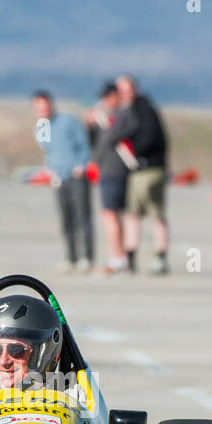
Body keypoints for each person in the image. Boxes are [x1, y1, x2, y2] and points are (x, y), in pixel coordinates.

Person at [0, 294, 83, 409]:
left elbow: (96, 420)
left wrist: (79, 363)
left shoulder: (69, 398)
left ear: (43, 353)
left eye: (16, 351)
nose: (4, 361)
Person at [101, 75, 169, 275]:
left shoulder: (142, 108)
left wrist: (134, 154)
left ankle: (159, 256)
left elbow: (150, 136)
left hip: (148, 169)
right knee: (134, 214)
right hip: (141, 170)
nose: (121, 94)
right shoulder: (136, 109)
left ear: (134, 89)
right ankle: (131, 257)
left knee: (151, 214)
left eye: (125, 90)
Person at [31, 90, 94, 273]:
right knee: (66, 219)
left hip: (76, 176)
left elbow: (83, 145)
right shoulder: (41, 128)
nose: (42, 109)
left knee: (82, 217)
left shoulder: (68, 120)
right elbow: (48, 152)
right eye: (38, 106)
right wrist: (49, 171)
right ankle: (71, 257)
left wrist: (81, 164)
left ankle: (86, 257)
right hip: (58, 178)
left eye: (44, 105)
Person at [85, 81, 132, 275]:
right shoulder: (110, 116)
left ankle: (117, 258)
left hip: (114, 169)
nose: (105, 101)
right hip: (108, 169)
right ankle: (120, 257)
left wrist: (100, 120)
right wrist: (90, 125)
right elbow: (94, 142)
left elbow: (108, 139)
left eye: (108, 97)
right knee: (113, 214)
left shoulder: (122, 114)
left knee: (110, 214)